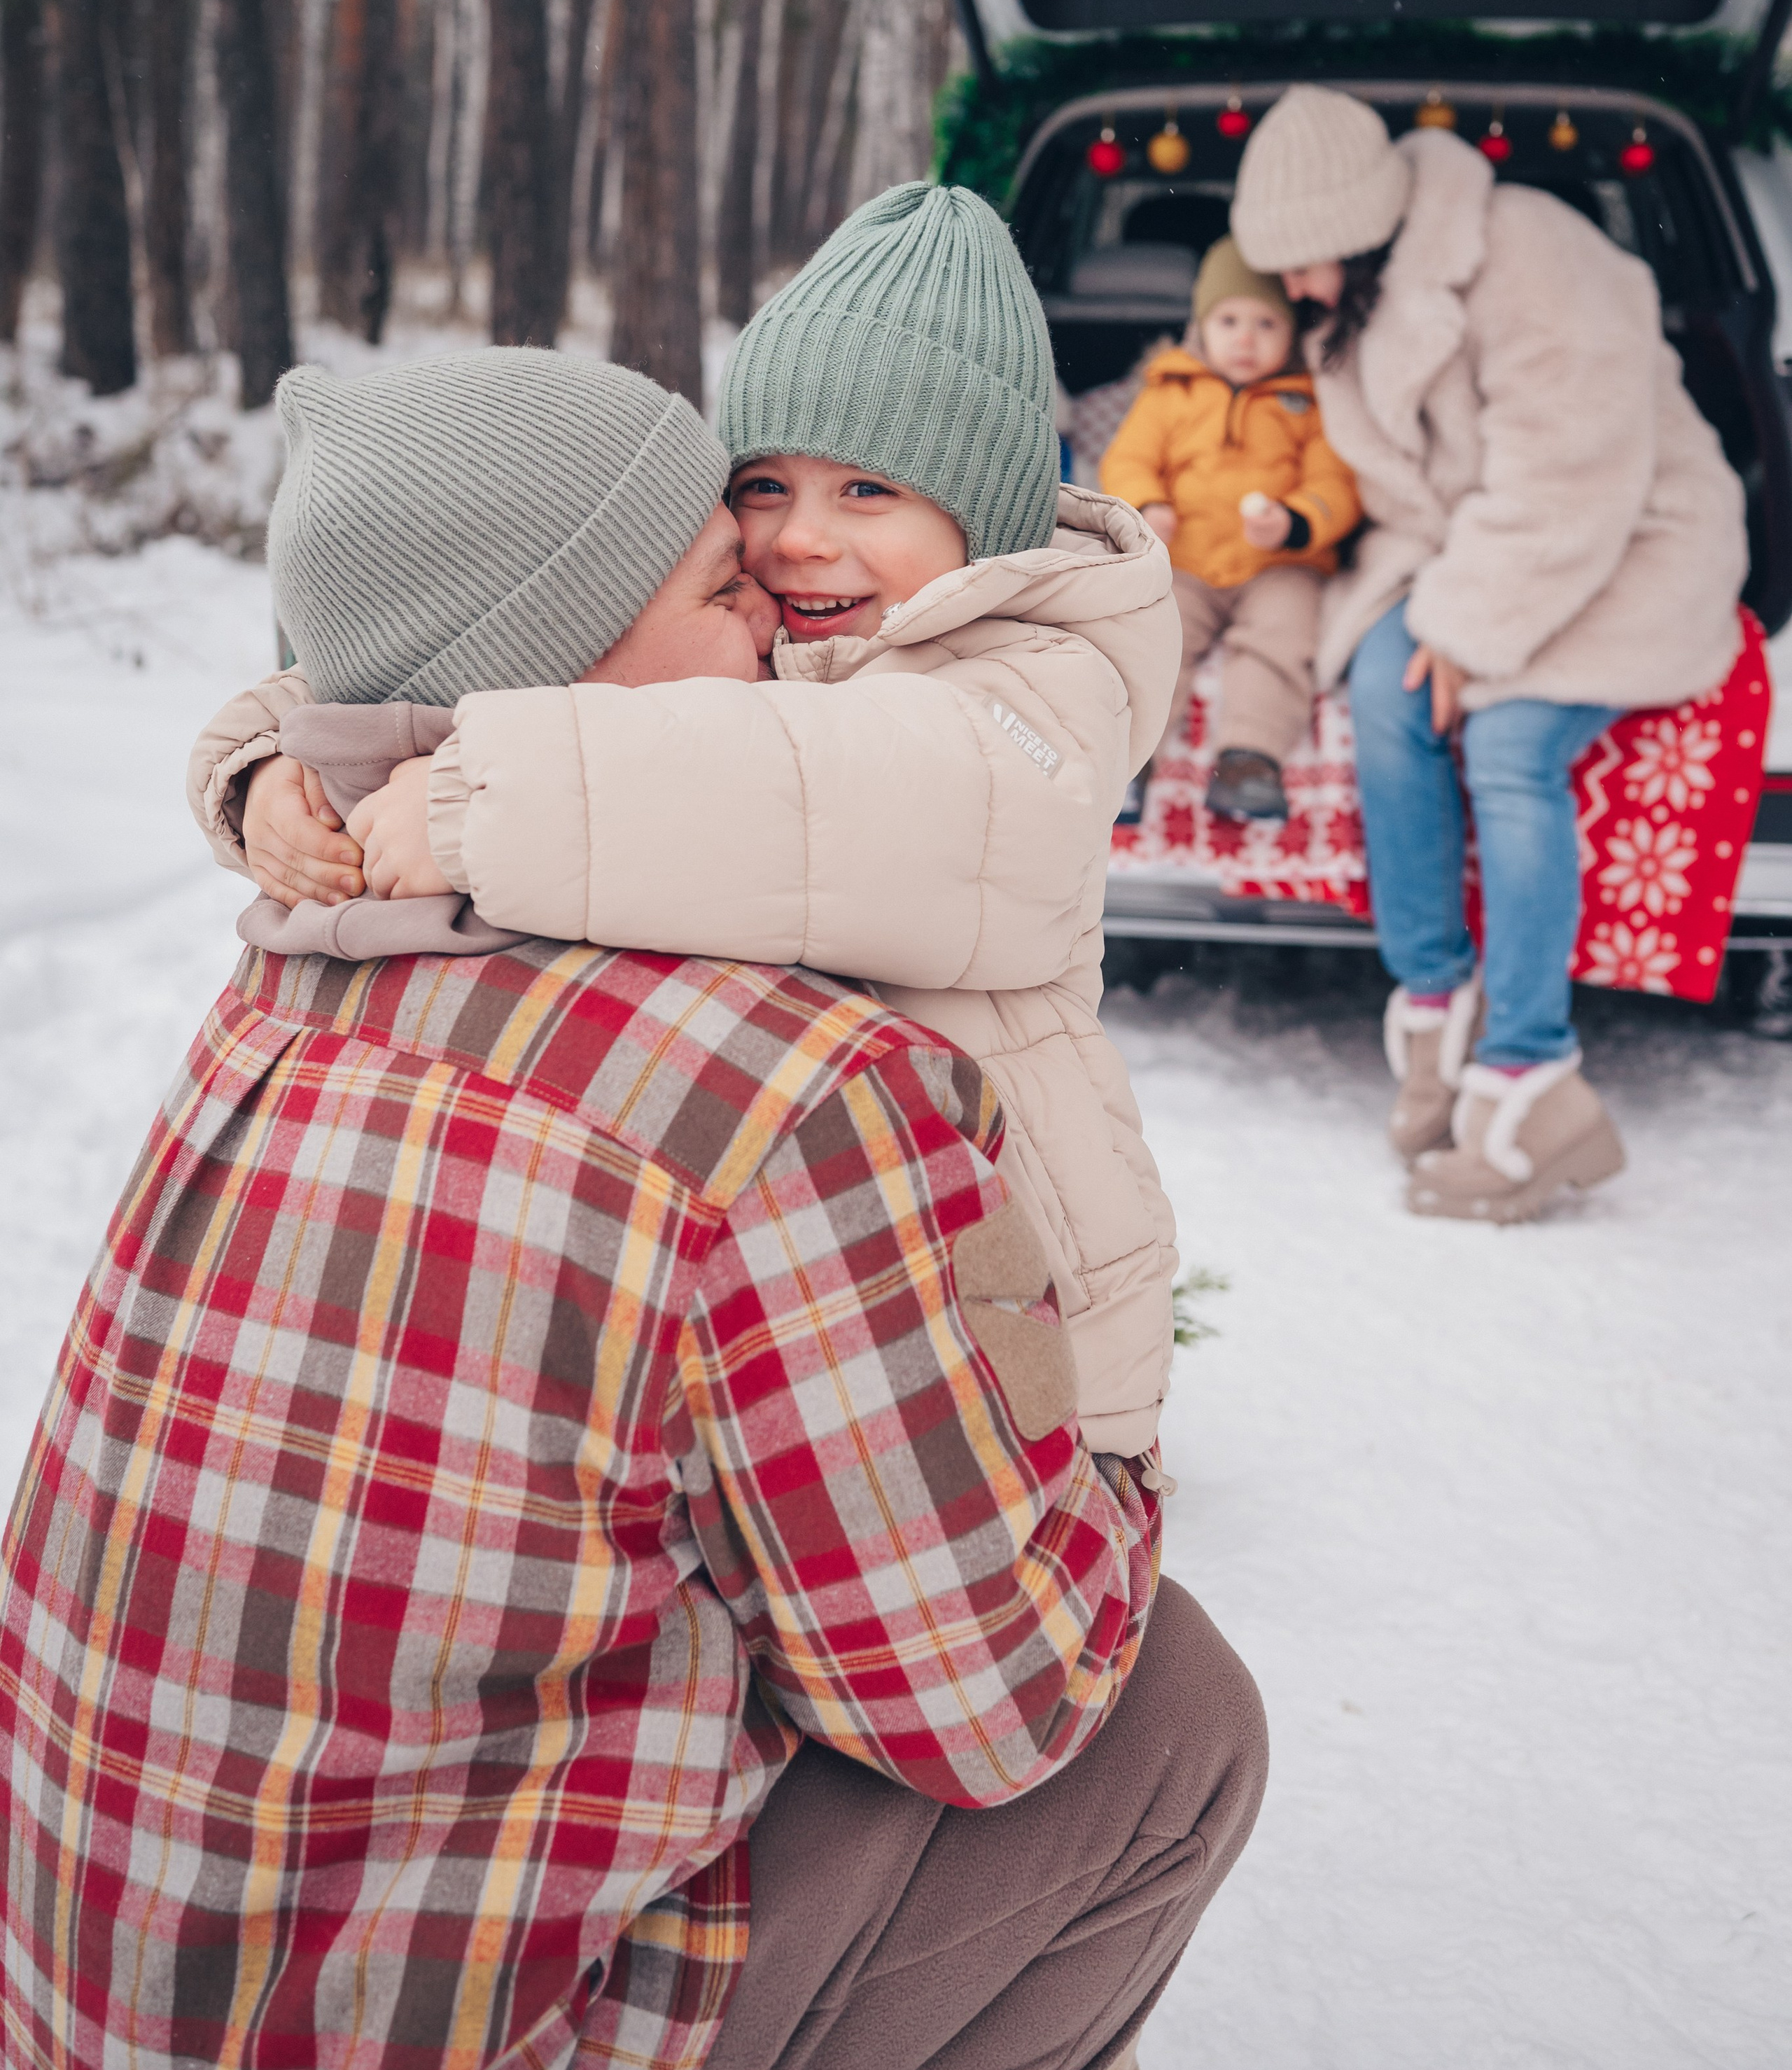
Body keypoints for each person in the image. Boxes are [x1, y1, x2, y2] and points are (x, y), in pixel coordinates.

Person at [0, 349, 1267, 2070]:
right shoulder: (782, 1080)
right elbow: (989, 1702)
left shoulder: (283, 973)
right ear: (567, 659)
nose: (773, 615)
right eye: (718, 579)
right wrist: (1100, 1468)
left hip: (103, 1989)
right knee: (1167, 1712)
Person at [192, 184, 1183, 1459]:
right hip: (779, 1259)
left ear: (978, 517)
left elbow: (856, 795)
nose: (798, 541)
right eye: (764, 486)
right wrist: (267, 766)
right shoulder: (793, 647)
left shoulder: (1025, 690)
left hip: (995, 1292)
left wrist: (489, 800)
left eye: (869, 490)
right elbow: (416, 664)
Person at [1230, 84, 1749, 1222]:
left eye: (1309, 265)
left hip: (1630, 539)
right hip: (1487, 544)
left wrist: (1464, 631)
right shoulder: (1353, 301)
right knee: (1382, 684)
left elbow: (1574, 473)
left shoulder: (1530, 251)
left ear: (1360, 224)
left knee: (1509, 746)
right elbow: (1410, 496)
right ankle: (1434, 1004)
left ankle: (1532, 1074)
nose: (1298, 293)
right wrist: (1424, 620)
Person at [1099, 235, 1361, 823]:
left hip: (1279, 567)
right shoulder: (1169, 390)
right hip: (1186, 561)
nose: (1245, 338)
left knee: (1280, 639)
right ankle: (1130, 761)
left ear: (1293, 332)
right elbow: (1127, 460)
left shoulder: (1312, 400)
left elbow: (1335, 483)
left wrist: (1294, 522)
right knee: (1155, 639)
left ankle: (1249, 759)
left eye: (1266, 323)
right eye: (1230, 320)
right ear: (1201, 326)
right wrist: (1147, 504)